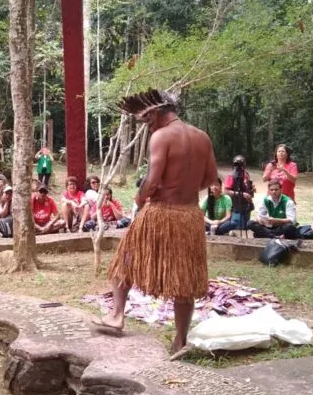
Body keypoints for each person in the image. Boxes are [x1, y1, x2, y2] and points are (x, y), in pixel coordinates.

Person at [94, 89, 217, 355]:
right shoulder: (202, 137)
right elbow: (210, 179)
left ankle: (116, 315)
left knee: (123, 260)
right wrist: (187, 185)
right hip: (190, 215)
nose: (147, 126)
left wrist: (139, 199)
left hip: (160, 212)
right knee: (184, 280)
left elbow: (151, 180)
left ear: (157, 112)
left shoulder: (162, 136)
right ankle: (180, 340)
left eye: (147, 120)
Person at [220, 155, 255, 235]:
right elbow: (226, 191)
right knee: (237, 229)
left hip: (246, 206)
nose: (239, 166)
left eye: (241, 164)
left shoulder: (246, 174)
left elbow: (246, 188)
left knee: (245, 228)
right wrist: (241, 194)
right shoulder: (231, 176)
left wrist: (251, 190)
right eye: (237, 164)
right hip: (236, 206)